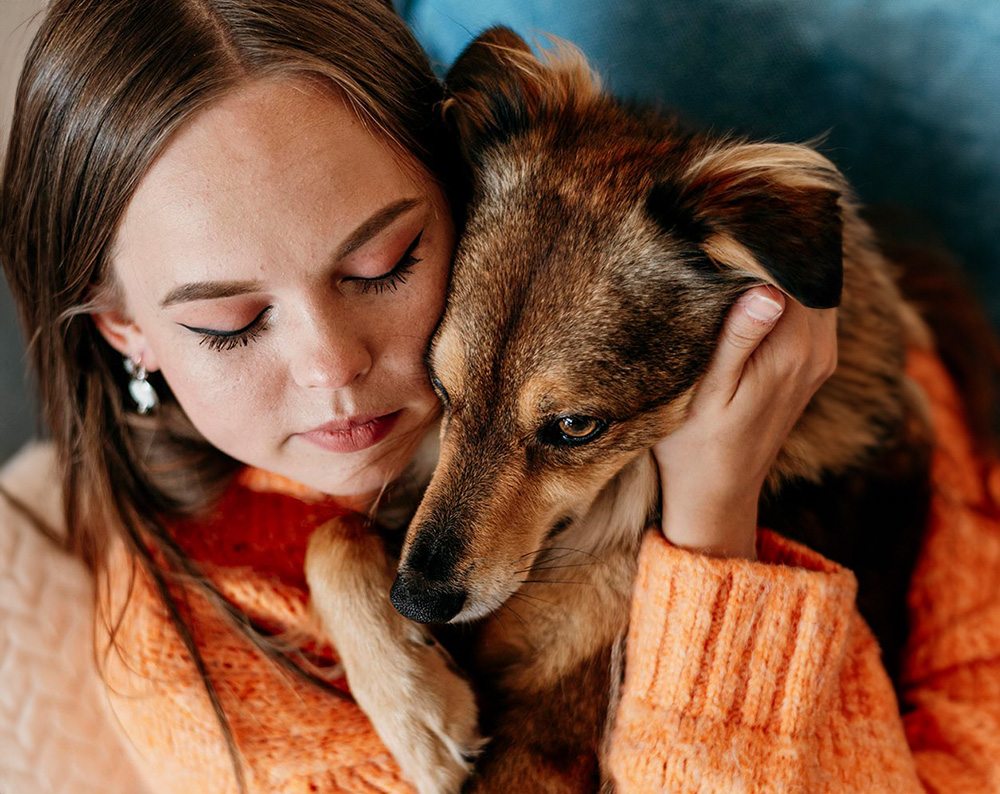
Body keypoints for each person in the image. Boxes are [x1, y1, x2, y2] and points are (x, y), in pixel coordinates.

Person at [1, 1, 998, 792]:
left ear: (447, 192)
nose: (334, 366)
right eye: (229, 321)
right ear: (122, 324)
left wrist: (711, 518)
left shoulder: (865, 400)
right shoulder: (190, 665)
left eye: (384, 263)